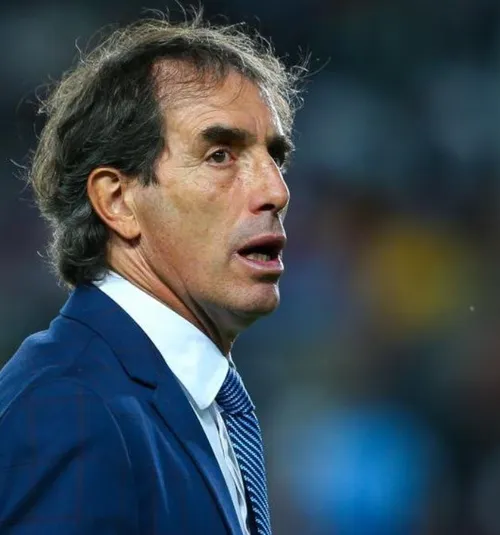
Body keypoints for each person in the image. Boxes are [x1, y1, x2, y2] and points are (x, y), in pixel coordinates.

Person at [0, 11, 303, 535]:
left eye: (274, 157)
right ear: (118, 201)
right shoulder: (71, 408)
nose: (276, 190)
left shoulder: (184, 397)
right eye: (220, 155)